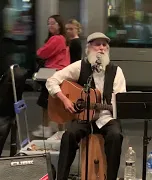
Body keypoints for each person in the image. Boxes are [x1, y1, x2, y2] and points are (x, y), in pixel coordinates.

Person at [46, 32, 126, 180]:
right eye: (97, 45)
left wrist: (110, 106)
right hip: (82, 118)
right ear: (88, 48)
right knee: (68, 136)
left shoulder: (116, 71)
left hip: (106, 118)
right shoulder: (79, 66)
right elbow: (51, 81)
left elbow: (120, 100)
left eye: (104, 45)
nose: (101, 48)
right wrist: (65, 99)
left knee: (116, 136)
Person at [32, 14, 70, 138]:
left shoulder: (57, 39)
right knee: (54, 102)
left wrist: (40, 51)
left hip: (52, 73)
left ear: (59, 25)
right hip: (57, 72)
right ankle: (55, 128)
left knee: (46, 102)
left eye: (53, 23)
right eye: (49, 23)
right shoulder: (62, 38)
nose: (50, 26)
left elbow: (42, 53)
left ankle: (48, 128)